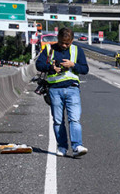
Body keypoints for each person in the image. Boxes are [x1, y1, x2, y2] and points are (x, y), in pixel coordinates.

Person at [35, 27, 89, 157]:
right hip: (54, 90)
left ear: (72, 41)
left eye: (67, 43)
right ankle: (62, 147)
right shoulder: (49, 49)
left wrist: (73, 65)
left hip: (72, 88)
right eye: (62, 42)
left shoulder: (77, 50)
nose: (64, 45)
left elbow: (85, 69)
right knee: (58, 121)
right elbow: (38, 65)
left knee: (74, 119)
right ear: (58, 39)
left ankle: (77, 146)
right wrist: (51, 67)